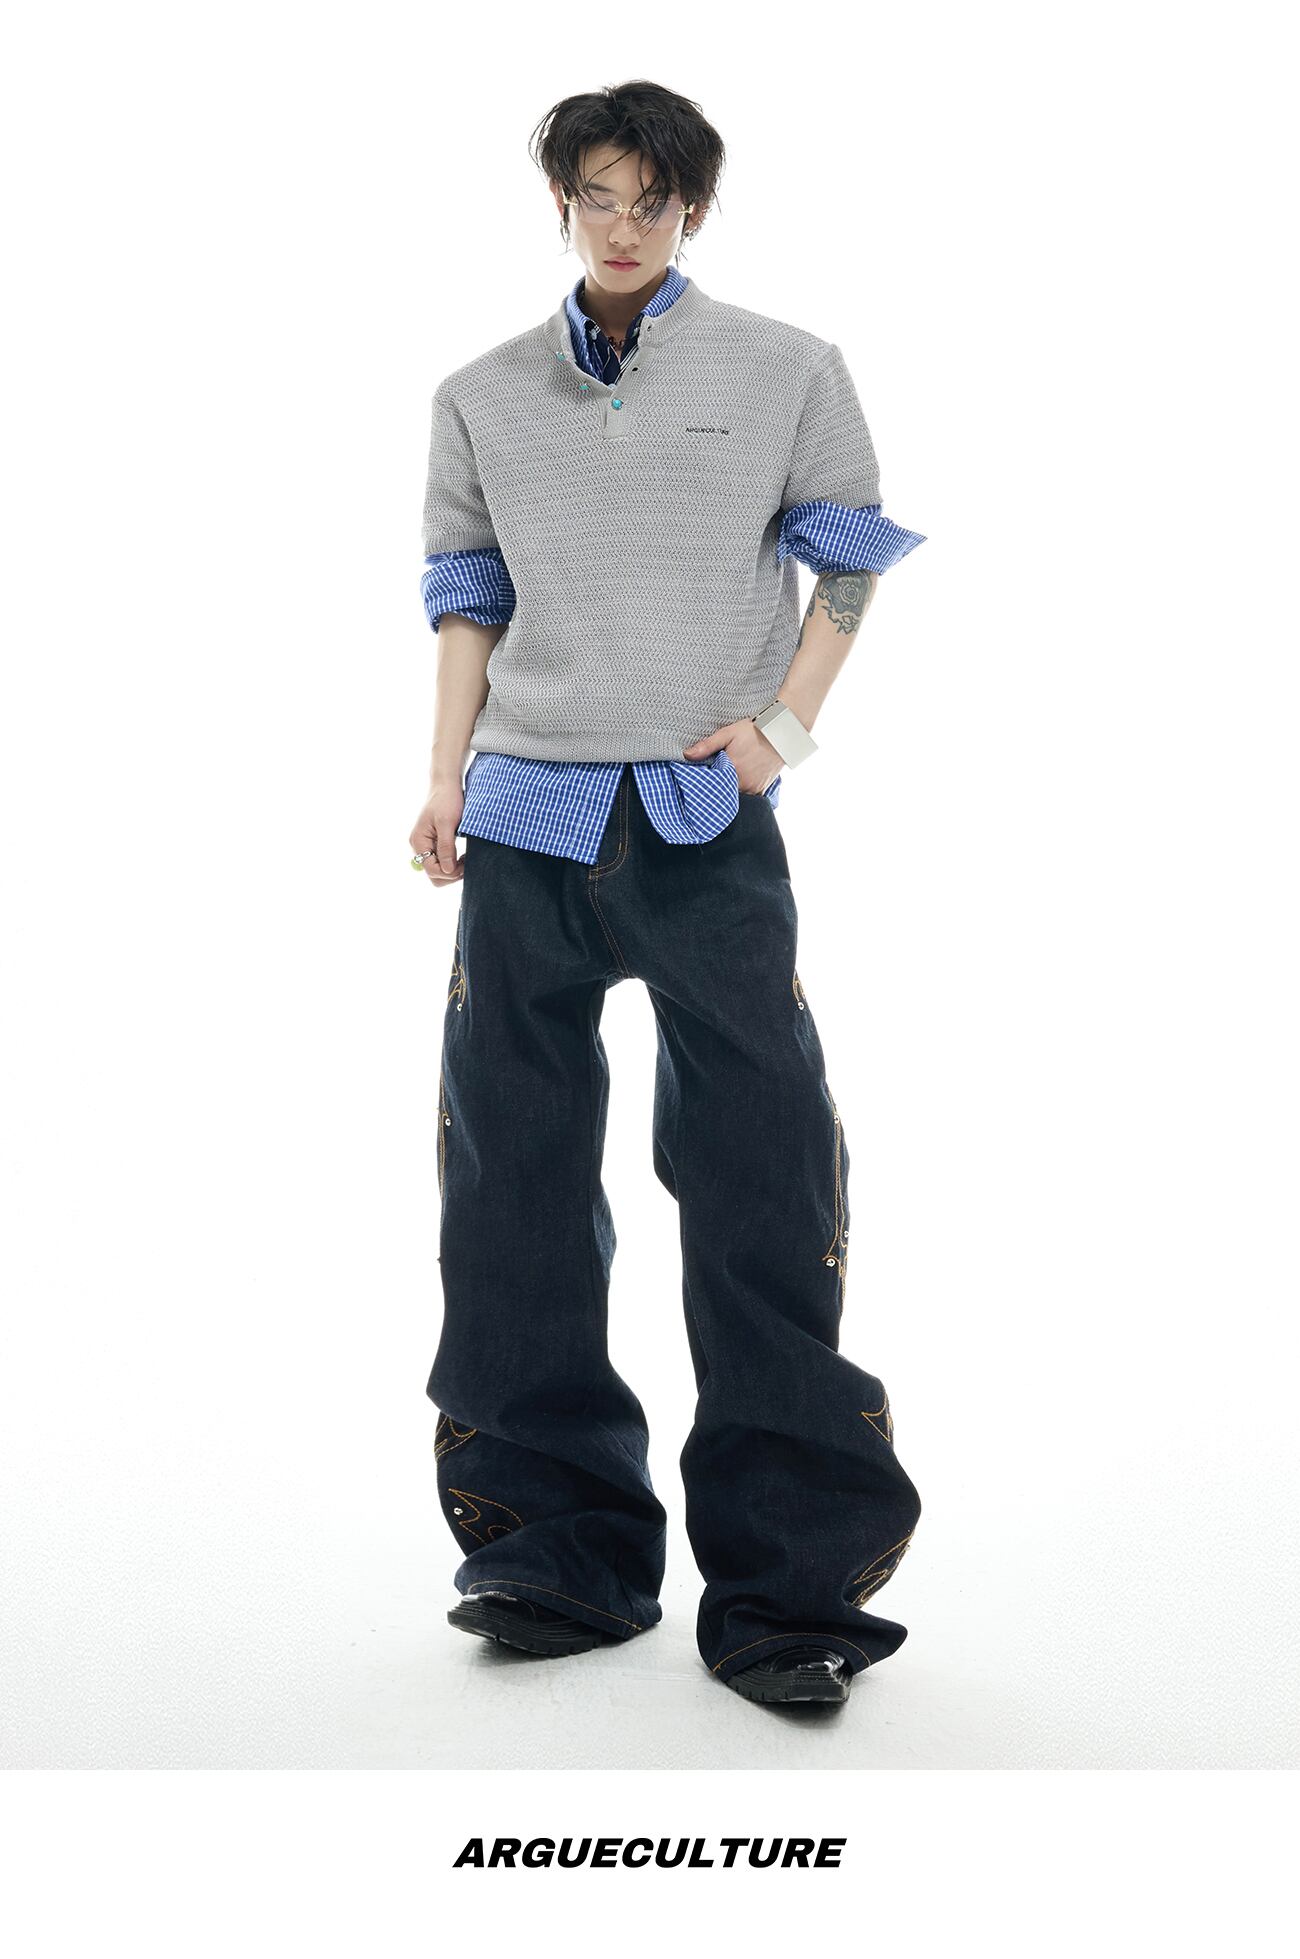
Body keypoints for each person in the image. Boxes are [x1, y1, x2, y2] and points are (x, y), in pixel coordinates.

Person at [410, 80, 926, 1708]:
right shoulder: (481, 394)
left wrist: (784, 731)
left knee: (761, 1172)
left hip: (708, 823)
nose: (623, 226)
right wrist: (443, 776)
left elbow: (850, 564)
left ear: (693, 209)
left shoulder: (787, 368)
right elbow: (468, 603)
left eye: (653, 200)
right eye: (598, 196)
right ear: (561, 201)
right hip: (527, 822)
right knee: (511, 1186)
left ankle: (790, 1590)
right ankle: (552, 1552)